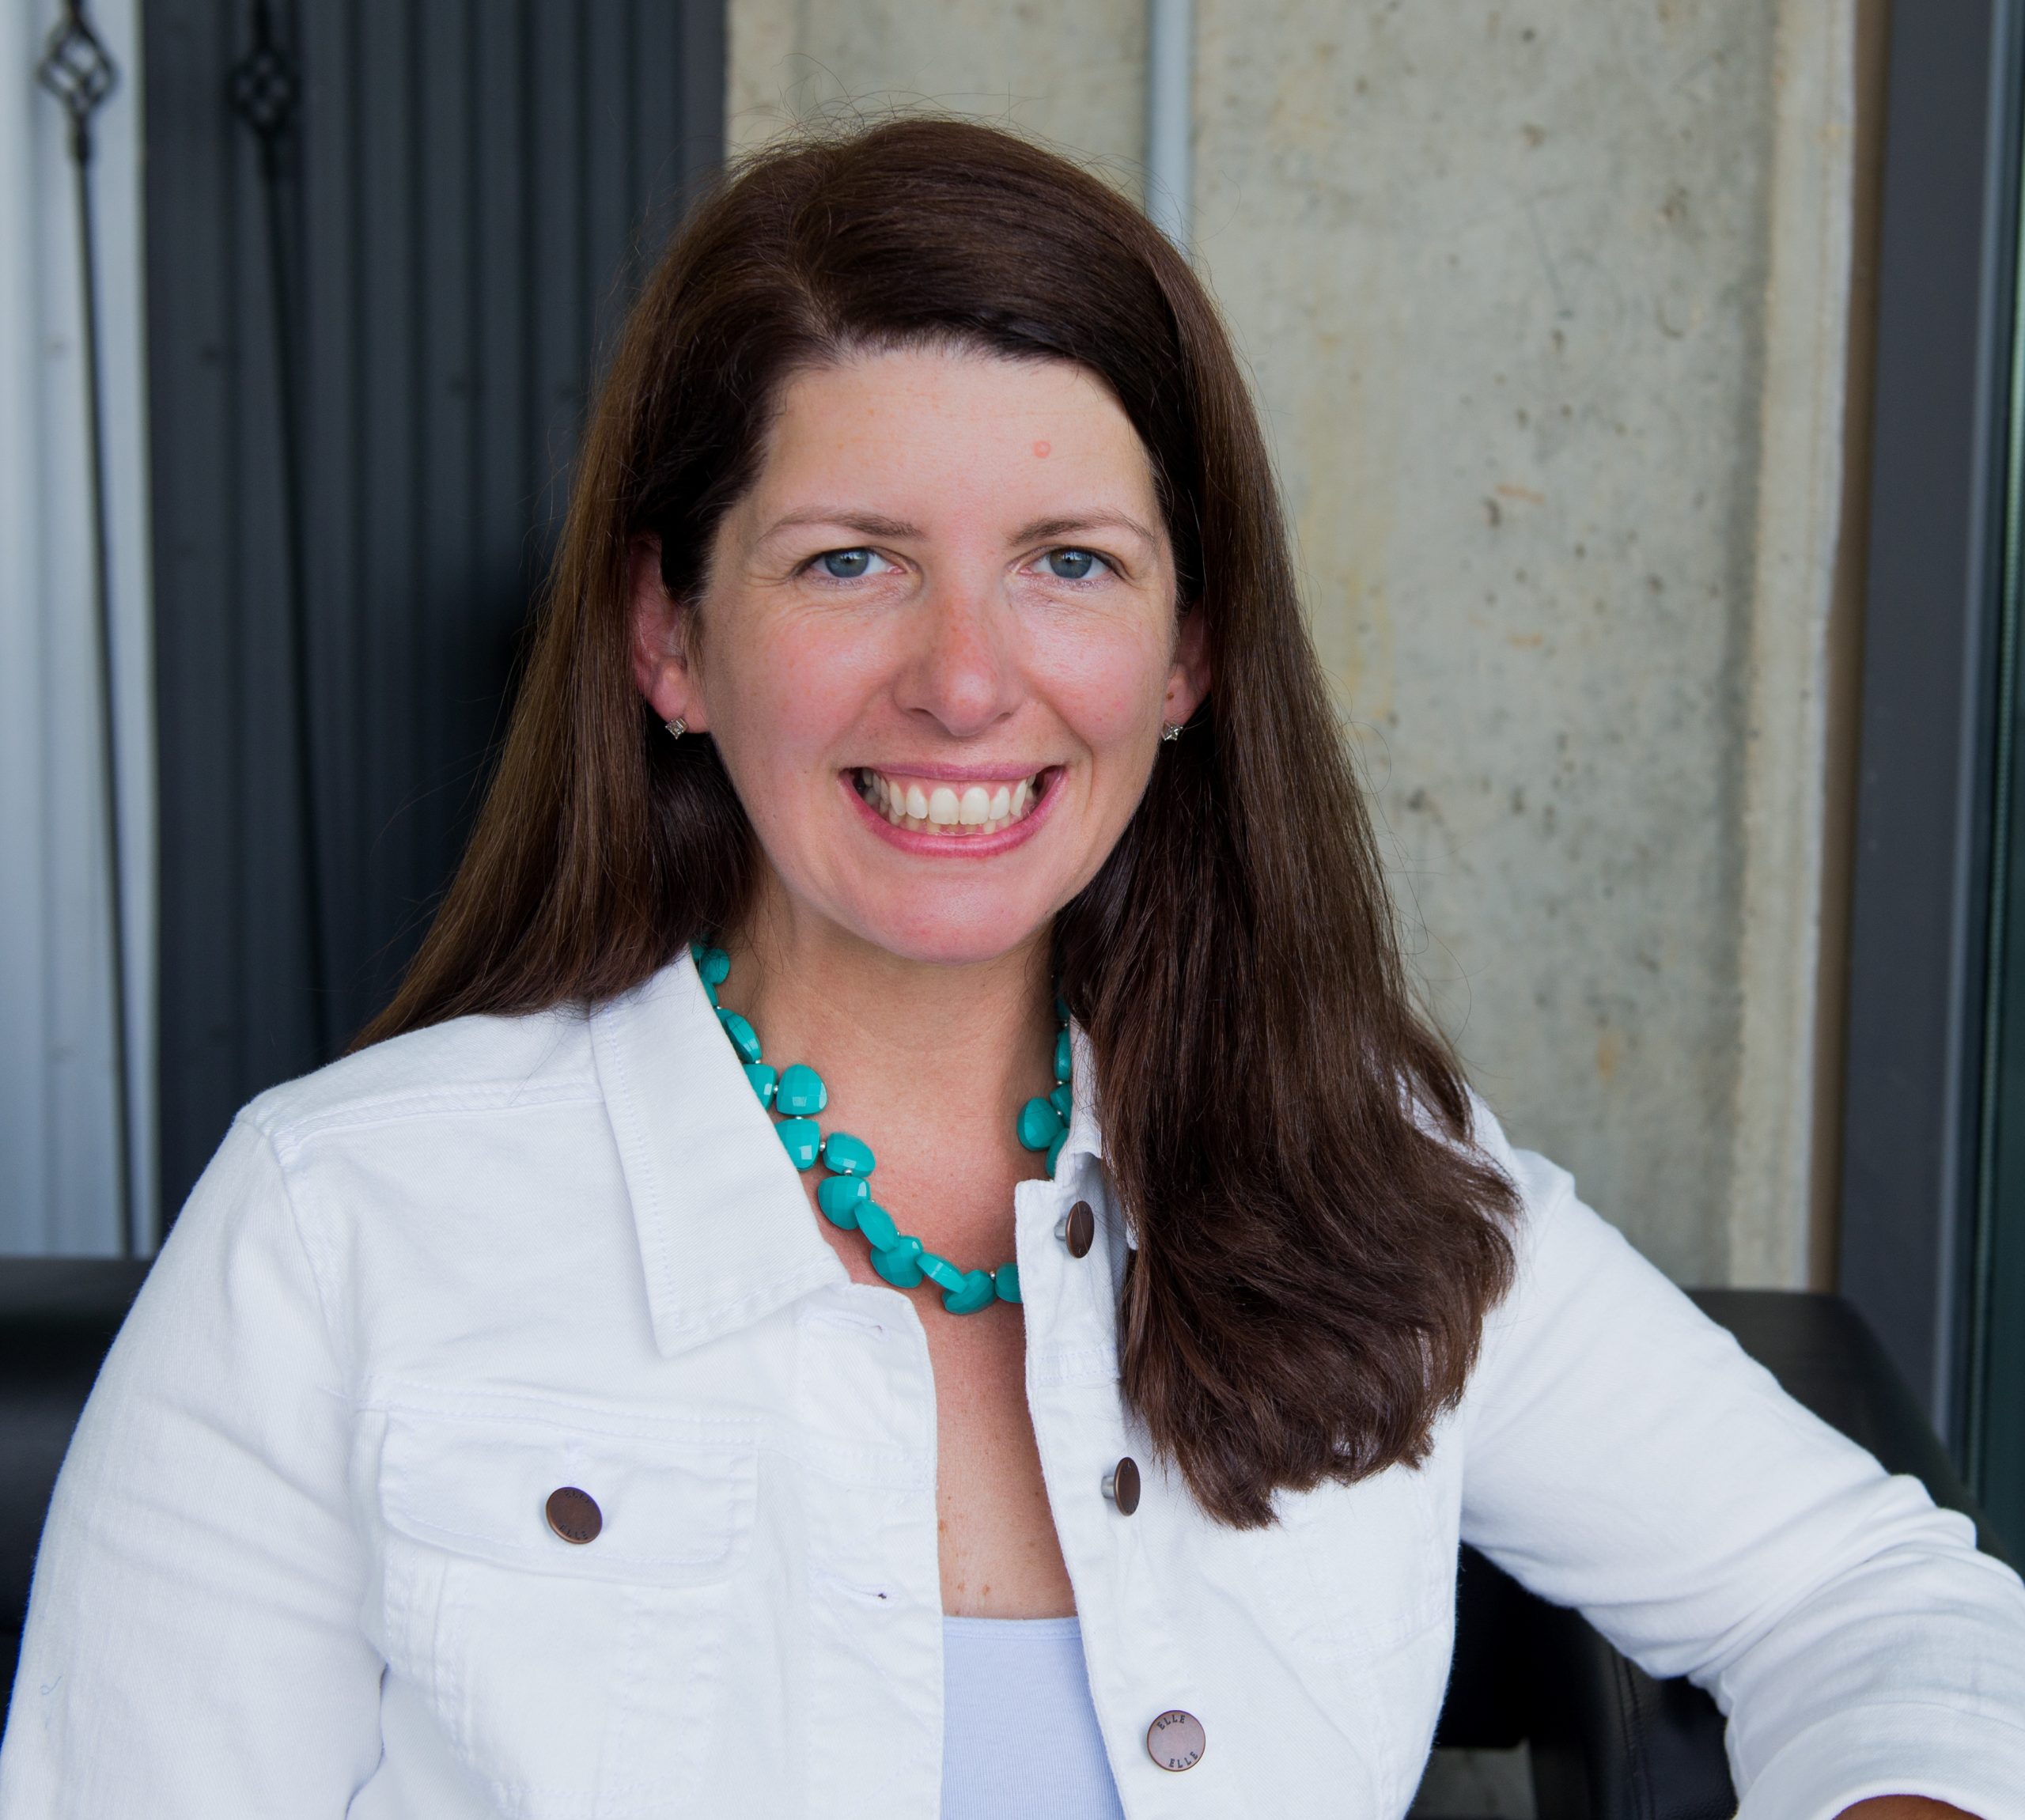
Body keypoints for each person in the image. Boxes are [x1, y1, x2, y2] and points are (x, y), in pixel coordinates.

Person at [2, 119, 2019, 1820]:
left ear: (1183, 654)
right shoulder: (335, 1222)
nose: (966, 681)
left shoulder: (1357, 1168)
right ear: (669, 643)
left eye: (1067, 561)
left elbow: (1871, 1592)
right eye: (846, 558)